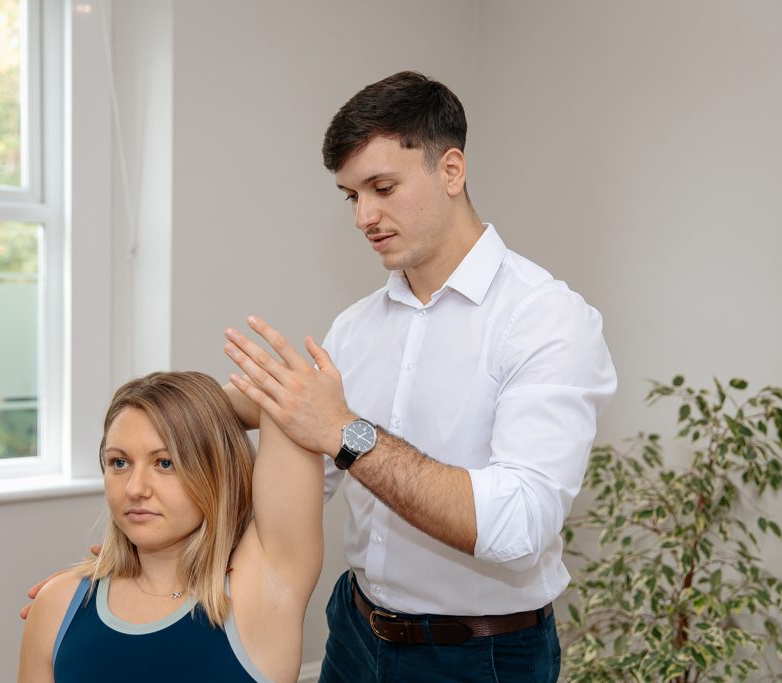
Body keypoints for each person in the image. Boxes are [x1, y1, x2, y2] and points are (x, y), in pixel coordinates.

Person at [222, 71, 617, 683]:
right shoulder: (354, 328)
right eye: (352, 196)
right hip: (354, 632)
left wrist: (346, 431)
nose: (364, 217)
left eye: (382, 187)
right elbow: (300, 485)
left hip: (480, 656)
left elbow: (517, 525)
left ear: (451, 171)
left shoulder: (546, 318)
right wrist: (156, 560)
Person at [17, 371, 323, 683]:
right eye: (119, 462)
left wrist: (195, 413)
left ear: (215, 469)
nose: (135, 488)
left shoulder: (263, 589)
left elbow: (281, 403)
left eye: (165, 463)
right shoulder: (58, 603)